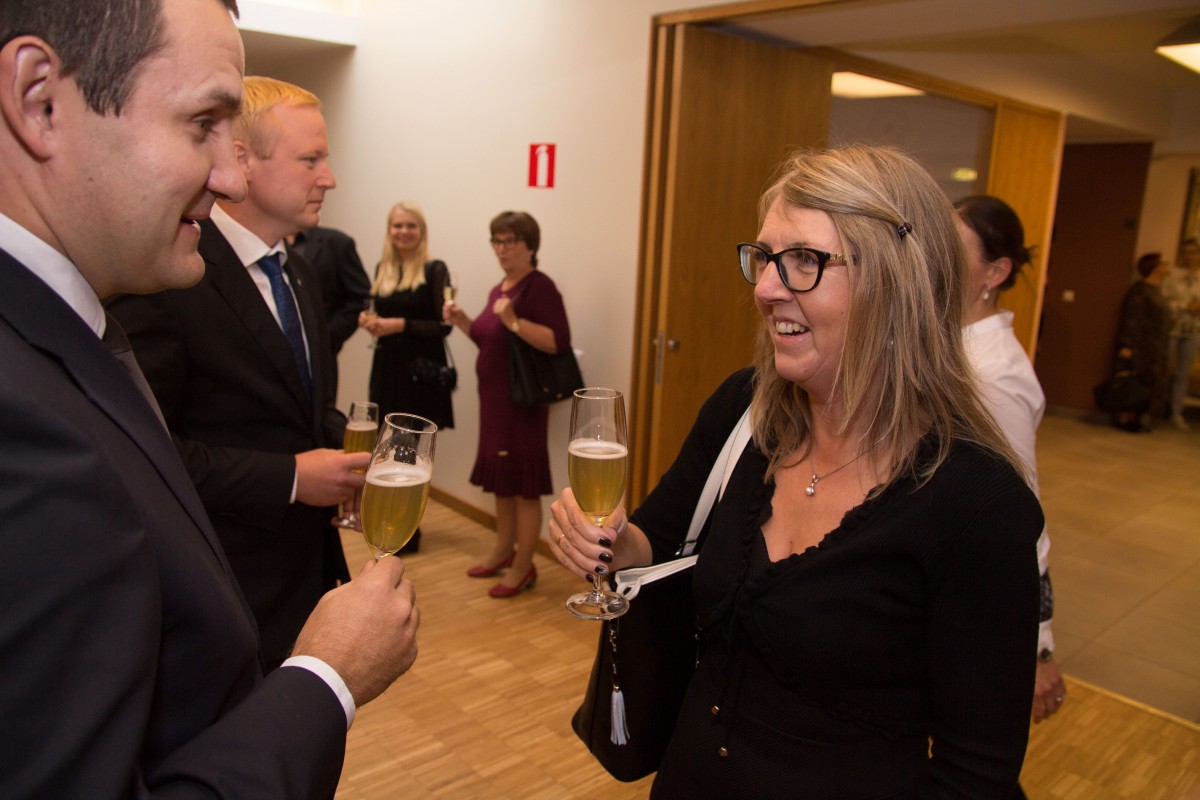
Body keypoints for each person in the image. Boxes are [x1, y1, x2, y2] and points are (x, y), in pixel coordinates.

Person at [0, 1, 418, 796]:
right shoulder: (21, 422)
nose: (228, 177)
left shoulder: (76, 319)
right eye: (201, 125)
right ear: (39, 99)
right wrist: (326, 678)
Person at [550, 146, 1042, 797]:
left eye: (805, 260)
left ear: (897, 282)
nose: (765, 288)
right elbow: (654, 541)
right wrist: (607, 542)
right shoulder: (744, 410)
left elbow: (975, 774)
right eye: (764, 257)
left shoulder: (979, 505)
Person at [107, 76, 359, 670]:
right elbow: (142, 452)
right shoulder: (169, 276)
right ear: (242, 159)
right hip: (221, 591)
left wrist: (348, 454)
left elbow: (300, 406)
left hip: (305, 575)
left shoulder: (299, 271)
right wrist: (291, 478)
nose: (328, 177)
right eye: (310, 160)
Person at [955, 196, 1067, 744]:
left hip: (973, 592)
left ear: (995, 273)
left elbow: (1026, 518)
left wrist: (1040, 647)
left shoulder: (994, 375)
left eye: (954, 249)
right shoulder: (950, 345)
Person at [444, 211, 571, 598]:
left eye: (509, 241)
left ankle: (523, 565)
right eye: (496, 241)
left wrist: (514, 320)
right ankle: (503, 550)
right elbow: (491, 342)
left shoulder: (539, 288)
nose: (501, 249)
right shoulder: (499, 289)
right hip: (494, 405)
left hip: (522, 407)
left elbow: (558, 342)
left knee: (523, 490)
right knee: (502, 484)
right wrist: (464, 321)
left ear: (529, 246)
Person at [357, 201, 455, 553]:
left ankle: (408, 531)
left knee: (411, 453)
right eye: (398, 225)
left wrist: (399, 325)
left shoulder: (434, 269)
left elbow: (443, 326)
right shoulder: (382, 268)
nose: (404, 232)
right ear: (389, 230)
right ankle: (391, 522)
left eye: (411, 225)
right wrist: (369, 322)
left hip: (419, 375)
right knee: (387, 448)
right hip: (388, 368)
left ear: (422, 231)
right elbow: (375, 311)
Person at [1106, 252, 1174, 431]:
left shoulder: (1157, 290)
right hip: (1141, 347)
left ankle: (1143, 418)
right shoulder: (1140, 290)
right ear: (1155, 267)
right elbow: (1132, 318)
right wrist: (1127, 345)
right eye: (1163, 263)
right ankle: (1127, 418)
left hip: (1156, 348)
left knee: (1151, 383)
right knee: (1136, 382)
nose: (1167, 266)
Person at [292, 224, 371, 359]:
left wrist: (325, 338)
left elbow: (359, 299)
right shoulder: (266, 245)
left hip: (321, 353)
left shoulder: (337, 242)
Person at [1162, 237, 1200, 430]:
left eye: (1193, 252)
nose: (1189, 256)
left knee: (1182, 373)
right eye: (1186, 252)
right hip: (1174, 327)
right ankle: (1153, 407)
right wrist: (1184, 305)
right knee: (1162, 367)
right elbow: (1164, 300)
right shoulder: (1174, 275)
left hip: (1194, 330)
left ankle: (1176, 412)